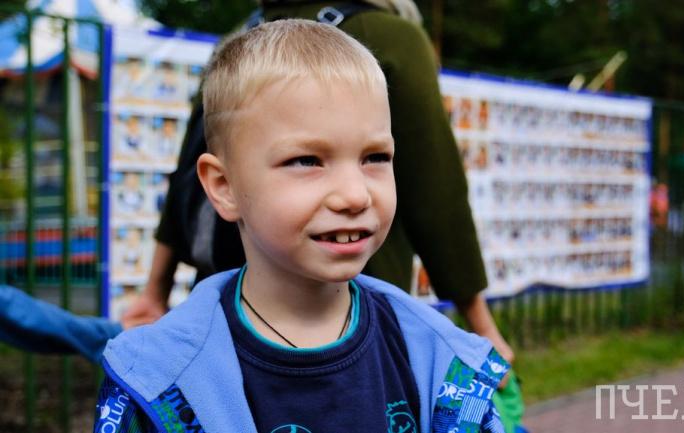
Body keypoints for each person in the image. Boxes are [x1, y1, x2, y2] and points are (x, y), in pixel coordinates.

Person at [94, 20, 509, 433]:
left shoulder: (442, 364)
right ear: (224, 187)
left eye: (375, 157)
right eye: (307, 160)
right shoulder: (157, 382)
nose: (355, 195)